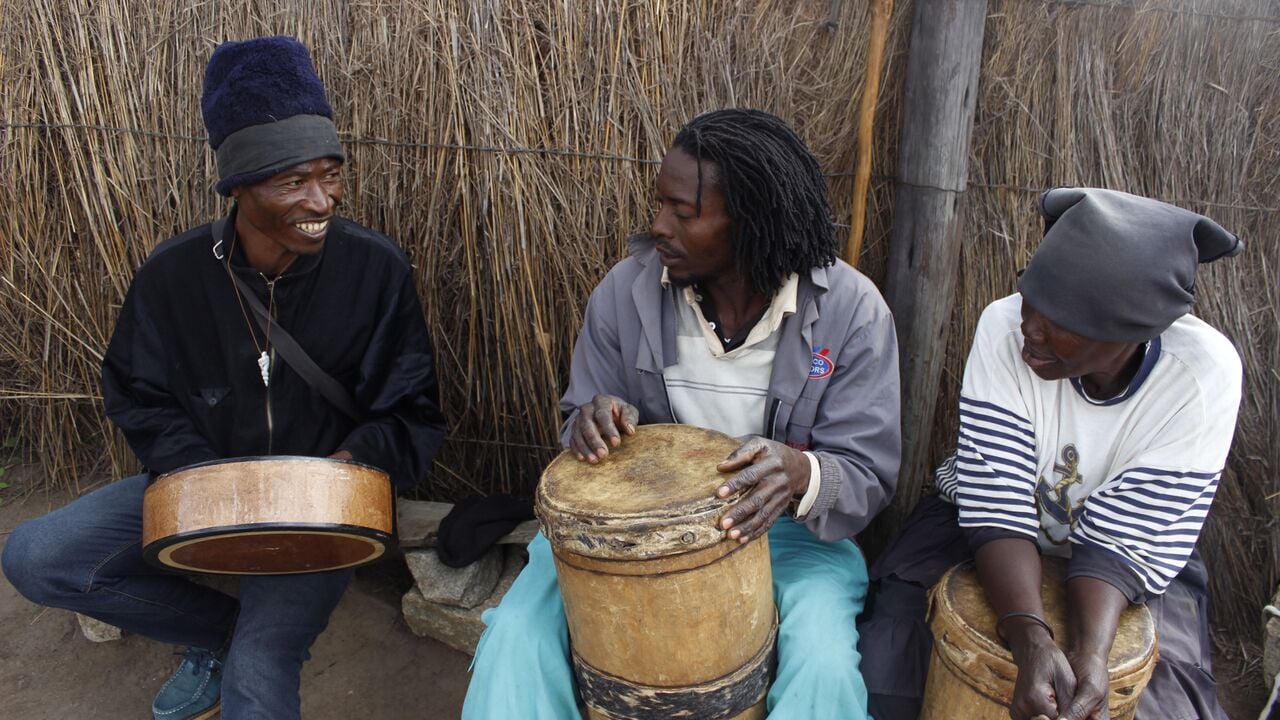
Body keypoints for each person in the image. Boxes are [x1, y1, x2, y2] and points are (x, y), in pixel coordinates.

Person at [1, 36, 447, 720]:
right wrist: (206, 483)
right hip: (200, 487)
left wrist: (345, 467)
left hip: (317, 507)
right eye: (293, 181)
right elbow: (135, 392)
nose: (322, 200)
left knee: (258, 681)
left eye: (331, 174)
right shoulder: (172, 275)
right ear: (238, 187)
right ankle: (213, 636)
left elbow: (412, 407)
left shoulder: (376, 271)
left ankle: (242, 654)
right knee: (37, 557)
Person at [462, 108, 901, 719]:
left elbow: (868, 473)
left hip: (784, 537)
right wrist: (592, 424)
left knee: (821, 665)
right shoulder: (626, 293)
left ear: (751, 222)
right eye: (660, 205)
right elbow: (576, 432)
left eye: (684, 213)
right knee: (516, 641)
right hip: (622, 538)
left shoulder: (850, 312)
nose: (658, 226)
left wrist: (802, 476)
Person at [858, 187, 1244, 720]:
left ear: (1134, 331)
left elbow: (1120, 545)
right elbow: (996, 503)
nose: (1030, 329)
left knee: (1162, 698)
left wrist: (1092, 656)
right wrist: (1030, 638)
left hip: (1133, 558)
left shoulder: (1201, 377)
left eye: (1062, 322)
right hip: (976, 525)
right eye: (1029, 299)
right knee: (889, 668)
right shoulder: (1002, 325)